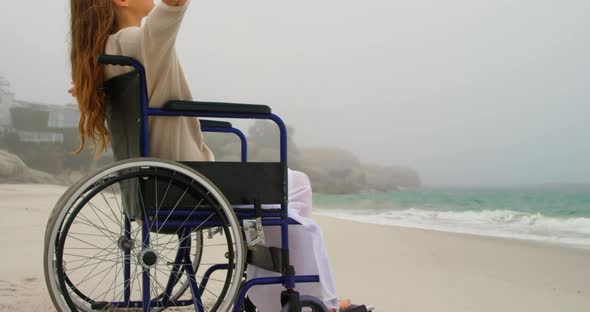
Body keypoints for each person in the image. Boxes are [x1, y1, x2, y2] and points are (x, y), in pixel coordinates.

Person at [68, 0, 354, 310]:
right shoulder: (133, 41)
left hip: (159, 183)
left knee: (292, 188)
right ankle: (316, 301)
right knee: (292, 199)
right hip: (185, 184)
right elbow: (166, 16)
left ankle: (270, 292)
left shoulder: (110, 54)